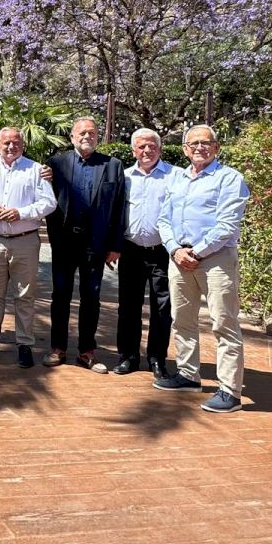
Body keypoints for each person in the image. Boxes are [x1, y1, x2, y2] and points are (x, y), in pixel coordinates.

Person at [155, 125, 250, 413]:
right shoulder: (178, 179)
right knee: (182, 320)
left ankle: (230, 391)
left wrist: (196, 252)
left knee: (223, 323)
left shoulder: (229, 178)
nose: (199, 147)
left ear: (216, 147)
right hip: (179, 257)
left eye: (205, 143)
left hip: (216, 259)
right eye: (193, 143)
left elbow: (227, 224)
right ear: (185, 149)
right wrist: (175, 249)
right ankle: (188, 375)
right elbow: (164, 219)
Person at [0, 127, 57, 369]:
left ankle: (24, 343)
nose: (11, 146)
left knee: (24, 295)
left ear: (22, 145)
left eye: (16, 142)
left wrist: (22, 213)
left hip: (25, 240)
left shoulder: (36, 170)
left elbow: (49, 203)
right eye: (6, 142)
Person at [43, 117, 125, 372]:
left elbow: (119, 208)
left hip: (95, 244)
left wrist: (115, 246)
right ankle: (57, 348)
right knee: (60, 295)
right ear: (72, 137)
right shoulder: (56, 163)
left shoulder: (113, 165)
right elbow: (45, 199)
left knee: (91, 297)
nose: (87, 136)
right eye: (82, 133)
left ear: (98, 136)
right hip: (64, 241)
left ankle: (87, 352)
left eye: (92, 132)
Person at [115, 128, 177, 379]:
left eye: (152, 146)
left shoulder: (176, 176)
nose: (147, 150)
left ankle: (157, 359)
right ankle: (128, 356)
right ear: (134, 151)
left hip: (162, 251)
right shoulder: (124, 177)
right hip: (131, 250)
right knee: (128, 306)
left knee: (162, 307)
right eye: (141, 146)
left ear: (160, 149)